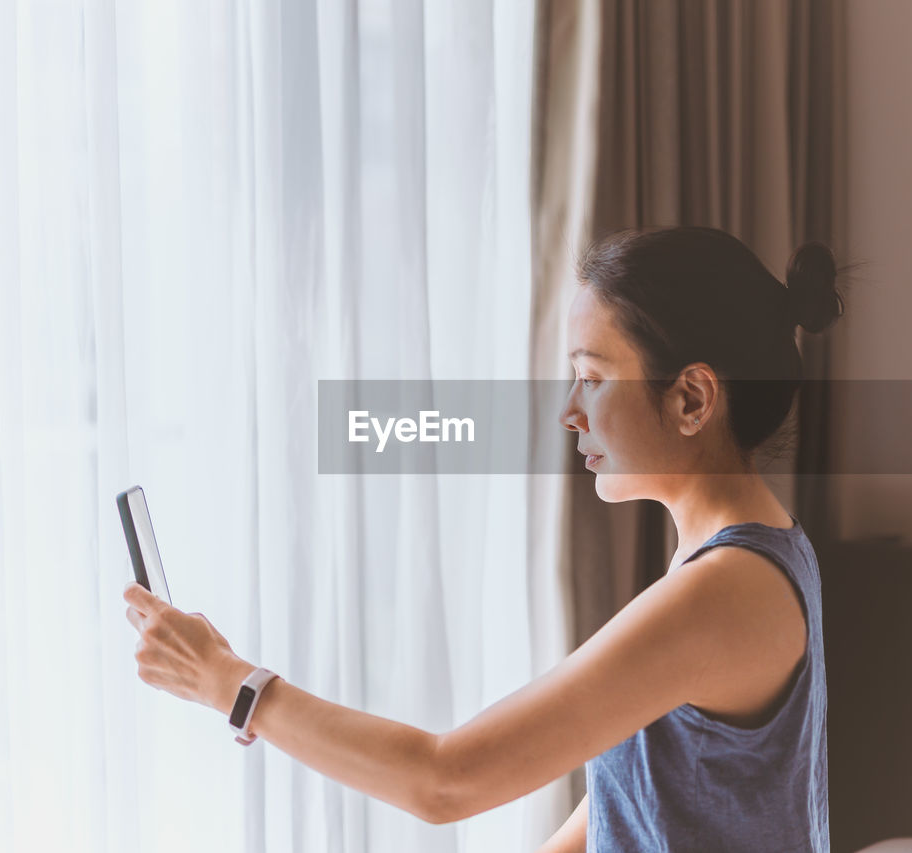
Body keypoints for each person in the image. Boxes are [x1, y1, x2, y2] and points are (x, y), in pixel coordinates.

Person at [122, 224, 845, 852]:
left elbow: (445, 779)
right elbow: (638, 796)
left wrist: (230, 682)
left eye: (592, 378)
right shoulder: (744, 552)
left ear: (691, 398)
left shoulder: (724, 590)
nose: (570, 411)